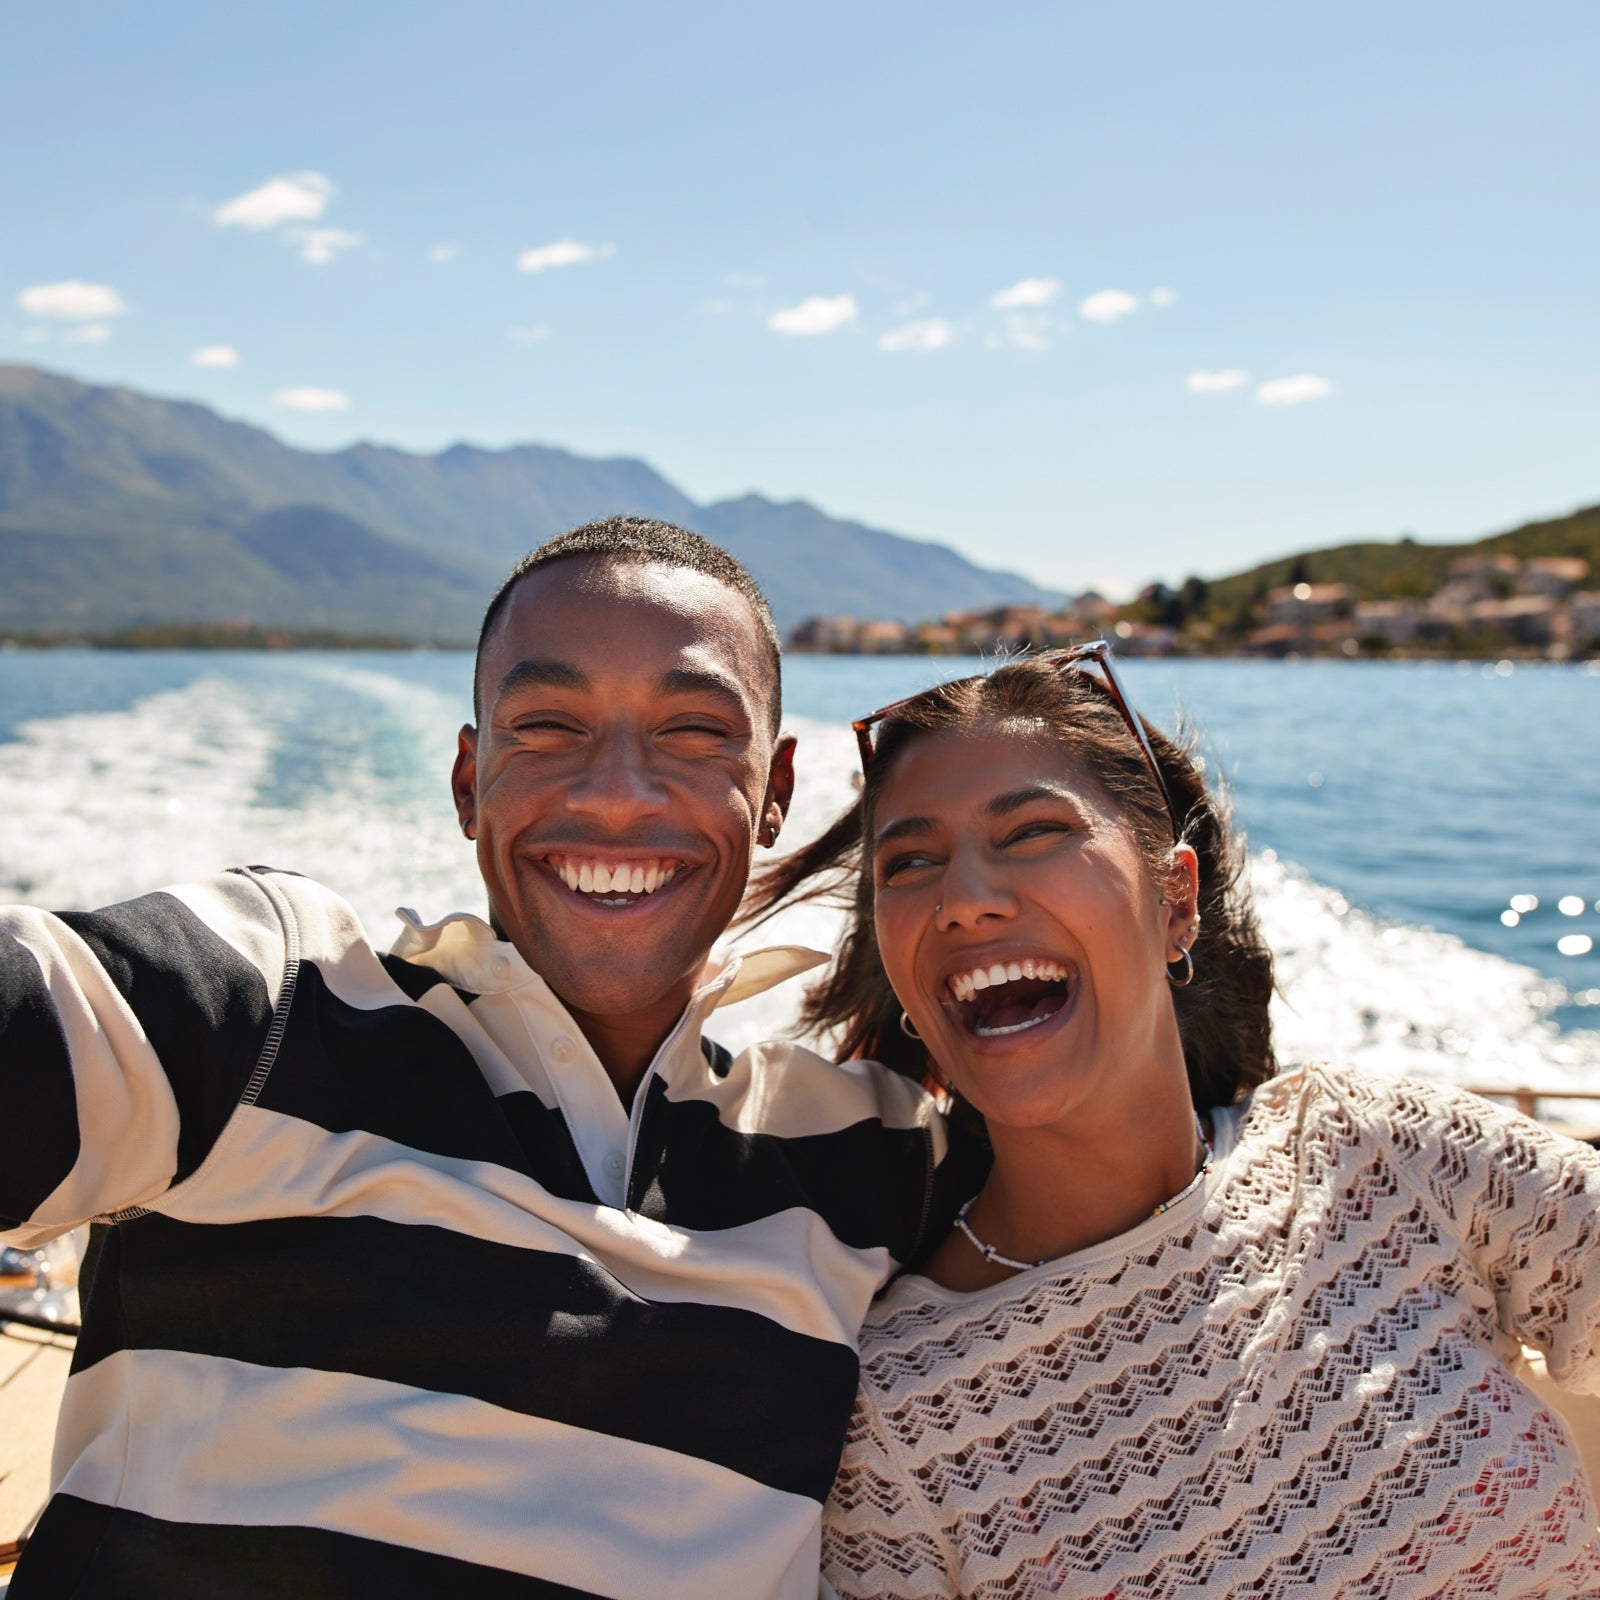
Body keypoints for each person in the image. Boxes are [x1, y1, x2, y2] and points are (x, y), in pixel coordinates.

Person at [0, 517, 953, 1599]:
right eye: (547, 725)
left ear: (776, 789)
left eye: (694, 732)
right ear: (467, 780)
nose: (617, 792)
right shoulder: (277, 1002)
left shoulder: (869, 1151)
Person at [746, 643, 1600, 1599]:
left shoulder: (1381, 1152)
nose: (964, 900)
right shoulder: (898, 1419)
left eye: (1030, 832)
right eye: (911, 861)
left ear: (1176, 901)